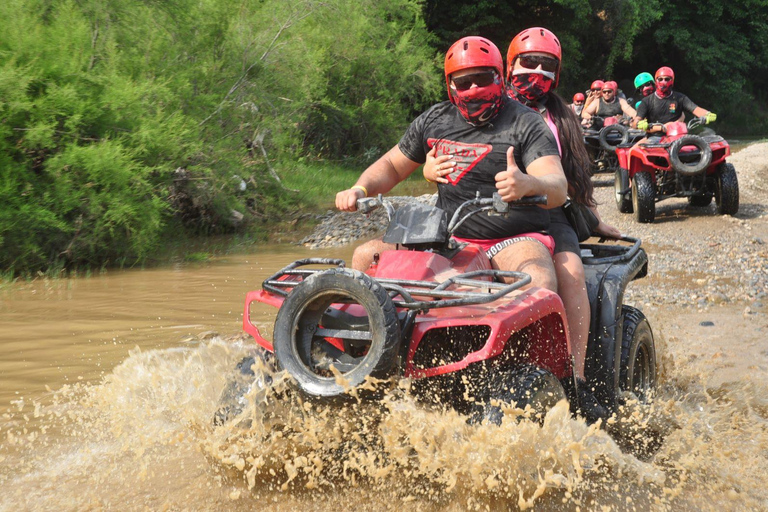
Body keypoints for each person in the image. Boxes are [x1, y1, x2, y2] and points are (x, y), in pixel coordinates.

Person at [426, 28, 620, 423]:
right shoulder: (485, 106)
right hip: (482, 213)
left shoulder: (561, 118)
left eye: (546, 66)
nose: (536, 72)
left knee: (570, 272)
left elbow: (571, 181)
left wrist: (593, 218)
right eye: (528, 63)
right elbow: (452, 160)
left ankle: (576, 379)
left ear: (557, 73)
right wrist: (431, 173)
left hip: (548, 210)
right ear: (507, 67)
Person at [337, 36, 567, 297]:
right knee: (365, 256)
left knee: (538, 283)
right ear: (450, 85)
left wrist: (528, 184)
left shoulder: (527, 122)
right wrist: (359, 188)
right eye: (463, 82)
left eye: (481, 79)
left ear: (499, 78)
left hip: (513, 238)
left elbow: (557, 187)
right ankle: (373, 336)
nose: (473, 88)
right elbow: (392, 165)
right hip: (446, 237)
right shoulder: (434, 120)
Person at [633, 66, 717, 131]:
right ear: (656, 81)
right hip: (654, 136)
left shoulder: (680, 98)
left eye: (667, 79)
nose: (663, 82)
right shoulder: (646, 101)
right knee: (633, 151)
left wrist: (707, 113)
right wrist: (638, 124)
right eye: (660, 79)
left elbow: (696, 109)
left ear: (672, 81)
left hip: (676, 134)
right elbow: (636, 121)